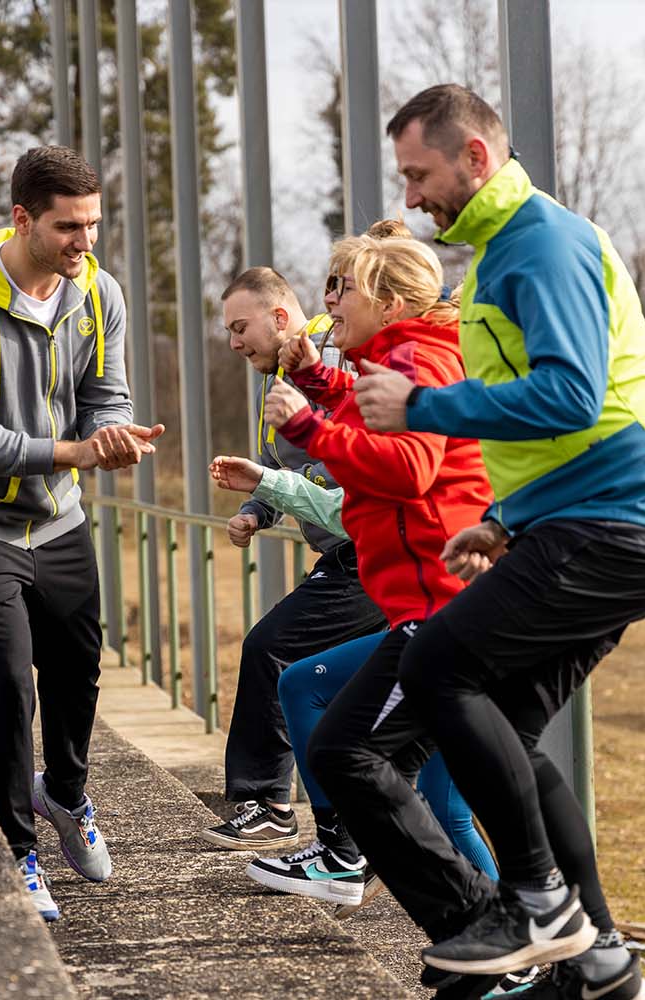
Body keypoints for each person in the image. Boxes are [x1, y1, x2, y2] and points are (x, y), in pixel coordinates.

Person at [312, 84, 645, 1000]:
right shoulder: (495, 256)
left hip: (625, 519)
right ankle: (601, 955)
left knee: (441, 662)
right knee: (511, 733)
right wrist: (504, 521)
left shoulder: (544, 243)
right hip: (584, 518)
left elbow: (573, 394)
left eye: (419, 173)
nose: (411, 198)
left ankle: (538, 902)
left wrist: (424, 405)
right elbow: (558, 429)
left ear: (474, 158)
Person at [0, 145, 165, 921]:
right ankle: (19, 852)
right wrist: (76, 451)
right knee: (10, 684)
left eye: (92, 225)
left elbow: (105, 393)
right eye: (67, 228)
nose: (84, 243)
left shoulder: (98, 291)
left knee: (79, 668)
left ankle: (68, 794)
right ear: (22, 220)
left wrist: (112, 436)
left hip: (58, 518)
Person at [247, 233, 497, 915]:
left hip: (443, 608)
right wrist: (315, 383)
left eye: (343, 287)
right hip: (428, 610)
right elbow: (376, 418)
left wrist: (311, 430)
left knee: (360, 759)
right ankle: (512, 934)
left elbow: (411, 468)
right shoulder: (397, 354)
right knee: (369, 755)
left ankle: (504, 930)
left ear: (386, 302)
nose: (328, 304)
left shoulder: (417, 356)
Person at [202, 267, 387, 852]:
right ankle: (352, 841)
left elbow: (348, 477)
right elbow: (281, 472)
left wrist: (272, 485)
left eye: (240, 327)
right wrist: (259, 509)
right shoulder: (273, 379)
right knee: (319, 691)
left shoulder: (338, 356)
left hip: (371, 550)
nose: (234, 342)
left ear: (280, 318)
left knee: (272, 652)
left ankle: (272, 806)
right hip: (343, 554)